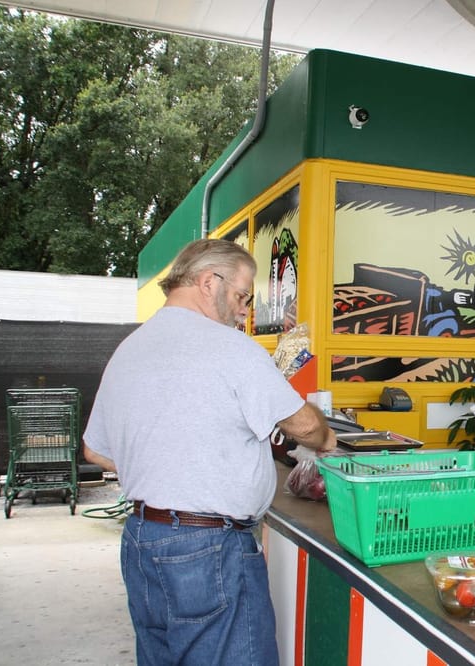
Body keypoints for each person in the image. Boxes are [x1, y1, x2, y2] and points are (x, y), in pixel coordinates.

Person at [83, 239, 336, 666]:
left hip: (142, 541)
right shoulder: (232, 349)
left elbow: (95, 450)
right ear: (207, 282)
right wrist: (328, 441)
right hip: (209, 550)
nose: (244, 310)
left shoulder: (130, 349)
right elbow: (305, 426)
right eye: (242, 296)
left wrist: (170, 468)